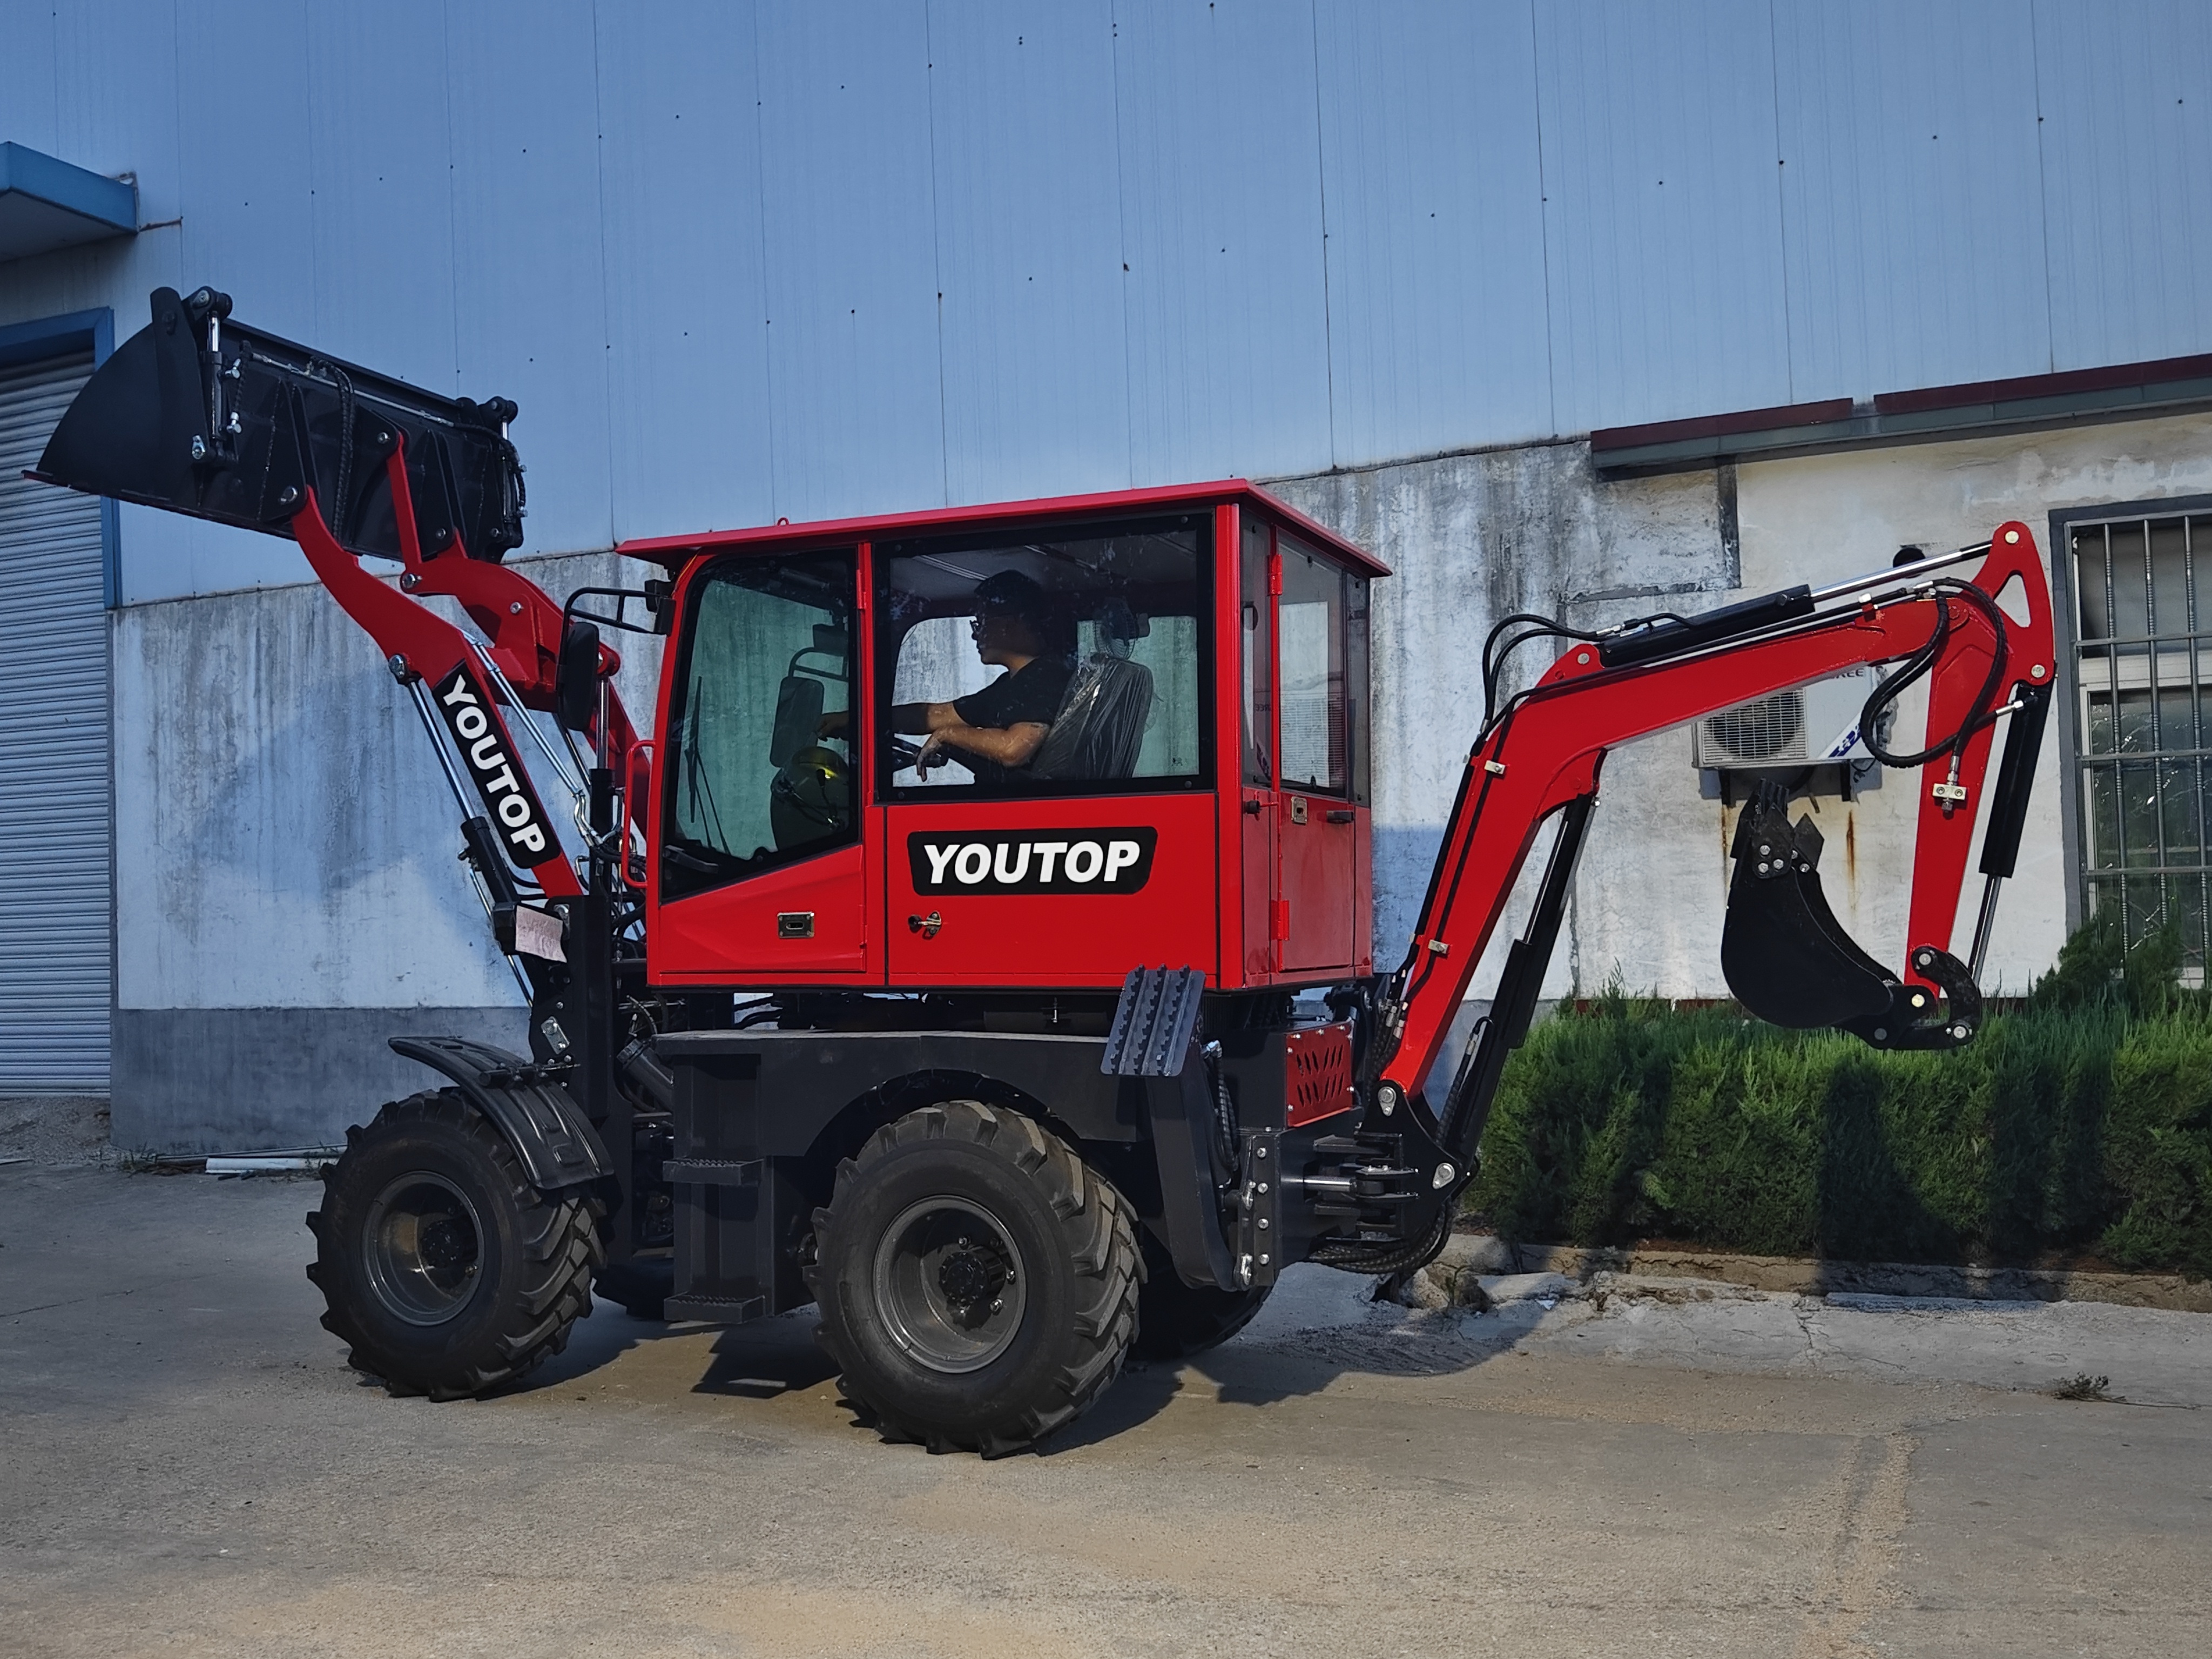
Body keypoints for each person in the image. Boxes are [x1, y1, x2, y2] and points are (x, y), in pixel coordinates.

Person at [887, 570, 1074, 786]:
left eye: (981, 623)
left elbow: (1013, 749)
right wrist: (854, 720)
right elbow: (936, 714)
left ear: (1009, 624)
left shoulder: (1046, 677)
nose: (975, 634)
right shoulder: (1010, 685)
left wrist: (949, 734)